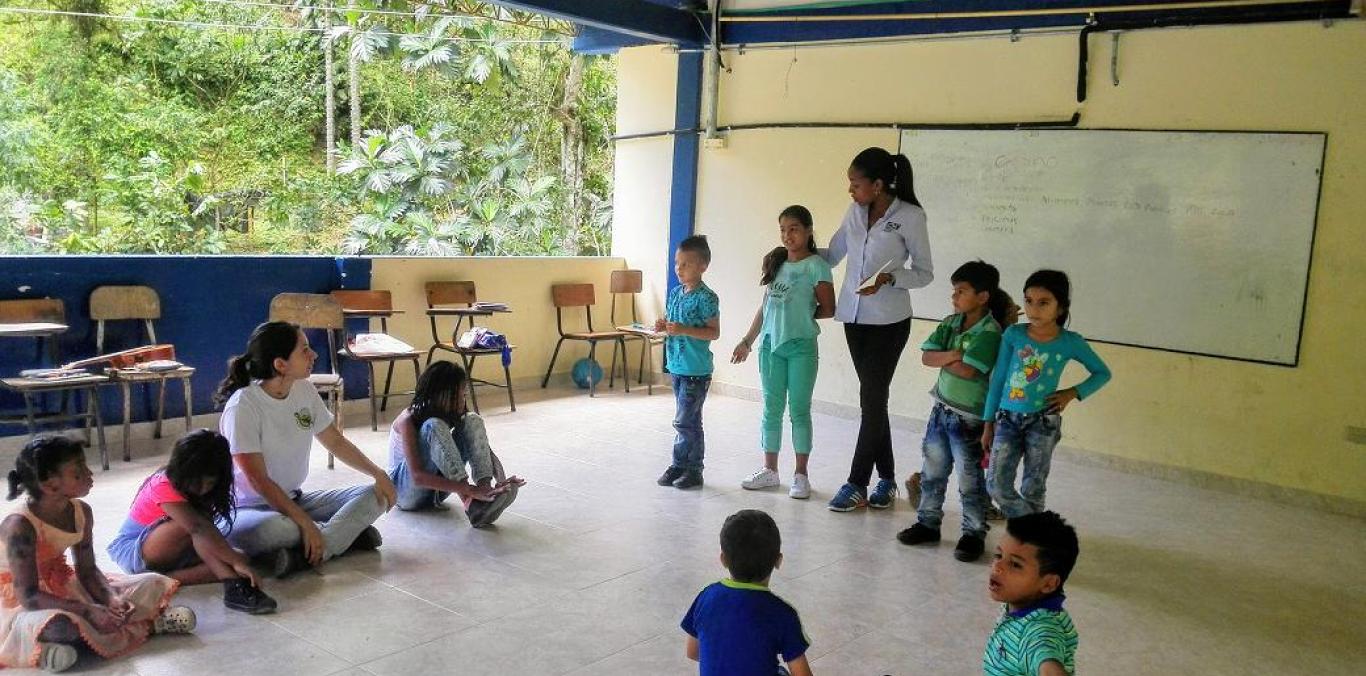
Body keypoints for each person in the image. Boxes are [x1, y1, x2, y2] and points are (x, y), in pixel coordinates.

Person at [214, 321, 398, 578]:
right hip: (250, 510)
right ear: (280, 364)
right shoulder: (243, 406)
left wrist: (378, 473)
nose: (314, 355)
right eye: (305, 350)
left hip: (294, 499)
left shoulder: (304, 389)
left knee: (377, 495)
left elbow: (335, 441)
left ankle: (312, 550)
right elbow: (258, 480)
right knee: (278, 531)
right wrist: (303, 522)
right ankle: (343, 536)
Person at [1, 436, 195, 673]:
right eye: (78, 471)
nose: (89, 474)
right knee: (59, 626)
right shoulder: (19, 526)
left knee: (151, 583)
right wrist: (87, 610)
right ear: (51, 485)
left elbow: (88, 570)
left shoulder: (82, 511)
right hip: (20, 601)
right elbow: (28, 596)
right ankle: (43, 650)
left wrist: (111, 599)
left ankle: (136, 625)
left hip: (62, 584)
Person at [823, 147, 934, 511]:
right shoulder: (854, 213)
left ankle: (857, 482)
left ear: (878, 184)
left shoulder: (911, 216)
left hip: (889, 321)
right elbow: (833, 255)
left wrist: (889, 277)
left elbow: (924, 272)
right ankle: (886, 479)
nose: (851, 190)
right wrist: (793, 251)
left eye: (855, 184)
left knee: (871, 400)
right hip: (853, 319)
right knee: (875, 401)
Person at [896, 261, 1008, 561]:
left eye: (961, 291)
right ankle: (927, 523)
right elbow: (926, 358)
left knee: (970, 480)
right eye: (954, 291)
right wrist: (955, 354)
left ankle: (973, 534)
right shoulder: (950, 322)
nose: (954, 296)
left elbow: (969, 371)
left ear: (983, 297)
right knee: (932, 472)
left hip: (969, 418)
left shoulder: (990, 332)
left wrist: (947, 357)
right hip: (941, 409)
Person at [983, 270, 1111, 518]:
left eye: (1044, 303)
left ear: (1060, 308)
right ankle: (1037, 528)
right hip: (1007, 419)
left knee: (1033, 486)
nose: (1033, 309)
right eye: (1028, 300)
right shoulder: (1014, 334)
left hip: (1043, 421)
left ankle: (1027, 543)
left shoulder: (1070, 341)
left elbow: (1102, 373)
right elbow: (998, 380)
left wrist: (1072, 393)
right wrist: (988, 423)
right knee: (996, 484)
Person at [108, 429, 277, 614]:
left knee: (240, 556)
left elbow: (204, 532)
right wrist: (233, 561)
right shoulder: (162, 483)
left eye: (210, 483)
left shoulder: (204, 493)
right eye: (196, 483)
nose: (203, 489)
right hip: (135, 551)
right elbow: (197, 528)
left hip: (180, 548)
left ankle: (163, 579)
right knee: (206, 535)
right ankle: (233, 586)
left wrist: (236, 559)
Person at [733, 206, 835, 500]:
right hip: (770, 347)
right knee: (771, 409)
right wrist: (747, 341)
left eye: (794, 229)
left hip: (801, 347)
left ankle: (801, 475)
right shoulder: (778, 263)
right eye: (783, 229)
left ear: (808, 232)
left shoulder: (817, 266)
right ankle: (770, 470)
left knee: (800, 410)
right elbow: (765, 308)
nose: (787, 235)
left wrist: (801, 314)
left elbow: (828, 308)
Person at [387, 361, 524, 527]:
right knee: (434, 425)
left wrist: (500, 480)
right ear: (438, 395)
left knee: (472, 420)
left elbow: (482, 448)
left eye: (464, 394)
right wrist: (469, 490)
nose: (462, 400)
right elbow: (417, 477)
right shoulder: (408, 419)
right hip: (404, 494)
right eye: (457, 395)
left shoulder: (451, 413)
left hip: (436, 492)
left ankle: (484, 498)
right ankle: (471, 501)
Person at [681, 509, 813, 676]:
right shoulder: (783, 614)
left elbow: (692, 652)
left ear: (723, 559)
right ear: (778, 561)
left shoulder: (706, 597)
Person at [655, 235, 721, 490]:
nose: (679, 269)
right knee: (689, 420)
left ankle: (692, 468)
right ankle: (681, 465)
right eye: (677, 263)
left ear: (702, 266)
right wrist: (664, 325)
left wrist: (683, 329)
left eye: (686, 265)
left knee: (684, 421)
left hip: (697, 370)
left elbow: (713, 332)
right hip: (677, 367)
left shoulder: (707, 298)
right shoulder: (675, 293)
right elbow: (672, 323)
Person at [984, 511, 1080, 676]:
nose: (998, 566)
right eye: (999, 555)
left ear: (1049, 584)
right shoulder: (1018, 602)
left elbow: (1047, 660)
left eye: (1015, 564)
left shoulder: (1039, 631)